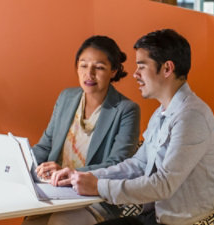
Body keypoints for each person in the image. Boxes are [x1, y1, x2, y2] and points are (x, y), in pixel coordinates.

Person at [51, 29, 214, 225]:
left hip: (187, 220)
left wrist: (98, 186)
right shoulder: (162, 112)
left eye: (142, 66)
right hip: (152, 216)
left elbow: (164, 185)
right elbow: (137, 164)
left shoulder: (191, 116)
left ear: (167, 68)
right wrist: (83, 176)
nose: (135, 74)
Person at [23, 35, 141, 225]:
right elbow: (46, 145)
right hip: (56, 191)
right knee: (31, 223)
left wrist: (70, 173)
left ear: (114, 71)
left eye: (99, 67)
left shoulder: (126, 110)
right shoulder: (66, 97)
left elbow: (118, 165)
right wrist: (22, 164)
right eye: (83, 65)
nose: (89, 74)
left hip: (95, 198)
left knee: (62, 221)